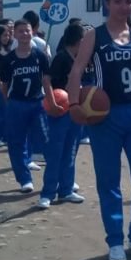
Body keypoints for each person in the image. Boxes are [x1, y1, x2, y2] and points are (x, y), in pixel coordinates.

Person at [68, 0, 131, 260]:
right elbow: (76, 71)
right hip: (105, 117)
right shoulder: (94, 36)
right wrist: (73, 104)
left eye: (128, 1)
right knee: (109, 181)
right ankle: (115, 241)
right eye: (118, 1)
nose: (124, 6)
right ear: (107, 3)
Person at [0, 19, 55, 193]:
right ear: (14, 34)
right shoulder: (9, 59)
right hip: (17, 104)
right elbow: (5, 85)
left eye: (27, 30)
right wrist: (9, 103)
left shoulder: (40, 56)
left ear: (32, 32)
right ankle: (24, 179)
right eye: (20, 31)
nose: (24, 34)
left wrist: (51, 102)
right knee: (17, 143)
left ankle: (56, 178)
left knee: (47, 141)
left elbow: (46, 82)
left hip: (38, 103)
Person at [37, 22, 86, 207]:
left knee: (70, 152)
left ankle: (66, 190)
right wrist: (52, 102)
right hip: (61, 111)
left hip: (75, 110)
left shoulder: (78, 59)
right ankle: (47, 193)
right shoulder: (62, 58)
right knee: (56, 153)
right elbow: (46, 80)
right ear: (79, 40)